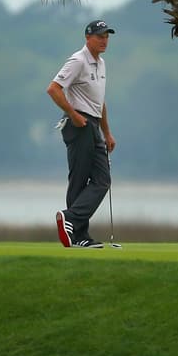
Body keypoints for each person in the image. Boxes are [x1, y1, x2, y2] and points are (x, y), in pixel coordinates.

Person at [46, 20, 117, 248]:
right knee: (79, 179)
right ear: (88, 38)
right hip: (79, 125)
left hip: (94, 125)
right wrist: (73, 114)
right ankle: (79, 235)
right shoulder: (78, 60)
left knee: (102, 179)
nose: (104, 40)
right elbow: (53, 89)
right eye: (99, 36)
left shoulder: (102, 63)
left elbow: (99, 101)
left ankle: (71, 221)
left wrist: (107, 132)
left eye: (106, 36)